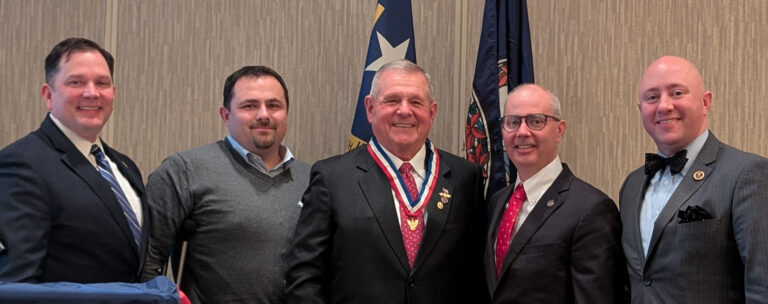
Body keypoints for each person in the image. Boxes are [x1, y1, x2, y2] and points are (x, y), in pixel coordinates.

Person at [284, 59, 487, 303]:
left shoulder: (465, 177)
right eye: (392, 100)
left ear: (431, 112)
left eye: (416, 101)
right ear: (370, 108)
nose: (404, 110)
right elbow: (305, 276)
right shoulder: (332, 178)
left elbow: (476, 272)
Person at [141, 65, 310, 303]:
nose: (264, 114)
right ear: (226, 115)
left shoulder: (313, 179)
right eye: (249, 105)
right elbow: (149, 259)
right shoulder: (184, 170)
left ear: (286, 113)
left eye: (274, 105)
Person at [620, 56, 768, 303]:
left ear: (705, 102)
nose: (664, 106)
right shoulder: (632, 185)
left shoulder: (747, 173)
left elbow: (762, 285)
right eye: (652, 97)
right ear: (640, 108)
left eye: (677, 93)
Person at [0, 37, 148, 283]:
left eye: (102, 83)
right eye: (76, 82)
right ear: (49, 95)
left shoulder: (125, 166)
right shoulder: (21, 164)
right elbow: (17, 282)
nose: (92, 93)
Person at [485, 84, 625, 303]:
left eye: (536, 121)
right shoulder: (496, 202)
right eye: (513, 122)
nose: (522, 132)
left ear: (559, 130)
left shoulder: (591, 209)